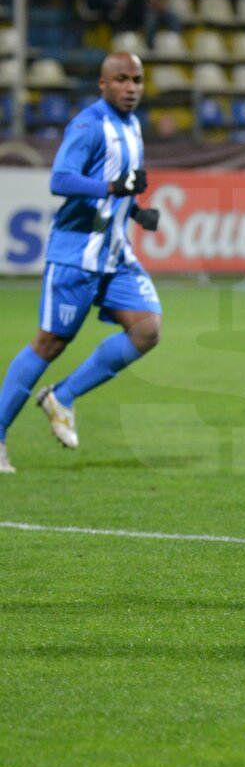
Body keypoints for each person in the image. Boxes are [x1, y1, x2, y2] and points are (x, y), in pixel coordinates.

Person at [0, 52, 162, 474]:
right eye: (122, 79)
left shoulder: (131, 124)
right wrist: (112, 186)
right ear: (103, 84)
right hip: (77, 254)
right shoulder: (89, 125)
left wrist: (137, 210)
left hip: (115, 251)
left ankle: (63, 396)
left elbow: (122, 183)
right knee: (50, 343)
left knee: (147, 329)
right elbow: (61, 179)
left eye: (138, 80)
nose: (131, 88)